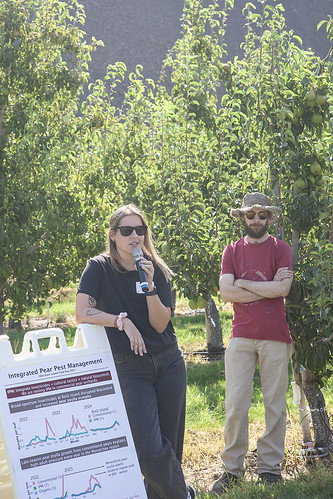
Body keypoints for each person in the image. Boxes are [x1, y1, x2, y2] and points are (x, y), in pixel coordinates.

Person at [76, 204, 195, 499]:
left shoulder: (156, 269)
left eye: (140, 230)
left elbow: (159, 324)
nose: (135, 236)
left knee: (170, 447)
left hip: (168, 362)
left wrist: (151, 284)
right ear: (113, 235)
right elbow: (82, 312)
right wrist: (120, 321)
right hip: (130, 367)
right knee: (149, 450)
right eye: (127, 230)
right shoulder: (99, 267)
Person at [212, 192, 293, 495]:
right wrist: (268, 288)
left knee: (275, 404)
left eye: (262, 214)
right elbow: (226, 294)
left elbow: (283, 288)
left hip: (275, 334)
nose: (256, 219)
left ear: (270, 218)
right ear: (242, 218)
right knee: (235, 404)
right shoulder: (231, 251)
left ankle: (270, 468)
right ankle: (232, 469)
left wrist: (243, 283)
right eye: (250, 214)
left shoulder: (280, 249)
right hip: (241, 335)